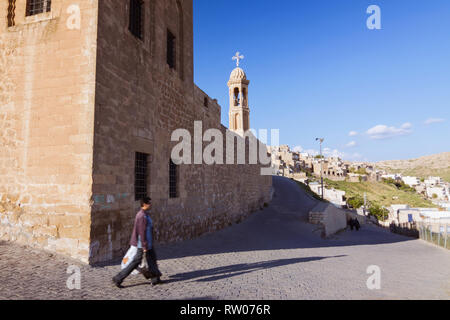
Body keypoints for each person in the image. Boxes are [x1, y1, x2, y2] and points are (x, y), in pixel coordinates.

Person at [112, 197, 162, 288]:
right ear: (145, 204)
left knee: (152, 260)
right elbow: (141, 232)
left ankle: (155, 278)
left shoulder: (145, 214)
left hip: (148, 243)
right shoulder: (141, 216)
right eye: (149, 203)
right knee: (135, 262)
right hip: (143, 244)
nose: (150, 205)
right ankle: (118, 278)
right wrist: (144, 246)